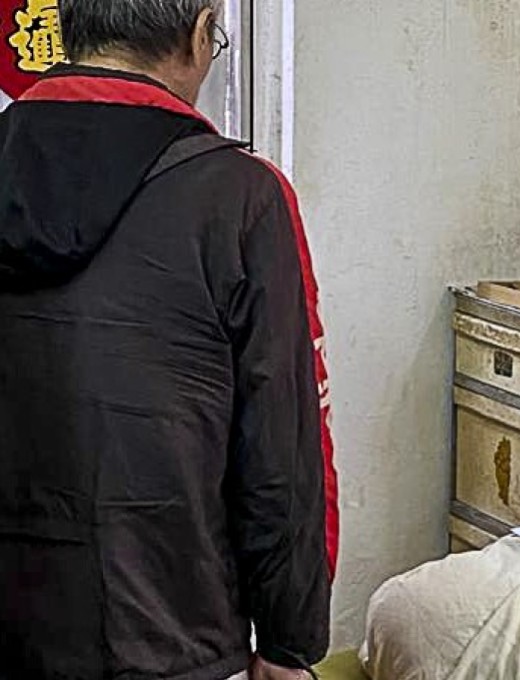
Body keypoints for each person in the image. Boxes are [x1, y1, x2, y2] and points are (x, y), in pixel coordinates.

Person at [0, 1, 339, 678]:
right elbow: (283, 449)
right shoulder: (240, 198)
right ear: (196, 32)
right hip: (172, 639)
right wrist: (287, 641)